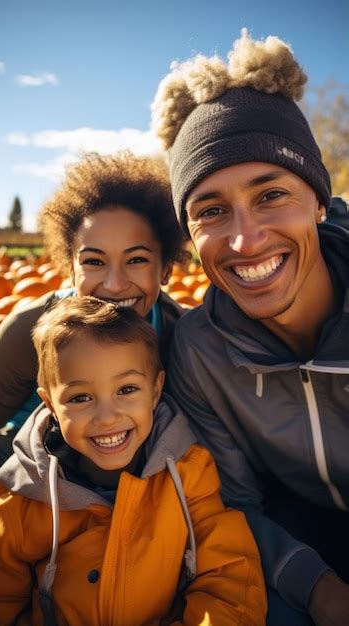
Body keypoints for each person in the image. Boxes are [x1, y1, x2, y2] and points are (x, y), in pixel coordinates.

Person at [151, 28, 349, 626]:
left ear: (318, 199)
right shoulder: (197, 352)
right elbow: (234, 503)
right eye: (211, 210)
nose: (244, 240)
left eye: (271, 195)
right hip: (303, 541)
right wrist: (321, 592)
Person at [0, 296, 266, 626]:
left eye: (127, 390)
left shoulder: (189, 474)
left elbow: (229, 575)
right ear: (50, 405)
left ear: (156, 391)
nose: (107, 418)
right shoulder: (21, 499)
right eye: (80, 398)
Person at [0, 151, 185, 464]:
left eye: (137, 260)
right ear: (70, 268)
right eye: (94, 262)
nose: (113, 284)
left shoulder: (181, 337)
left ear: (165, 269)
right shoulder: (25, 332)